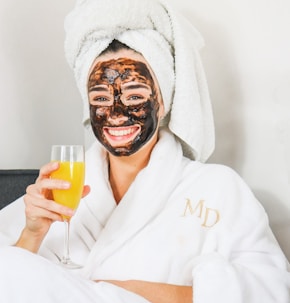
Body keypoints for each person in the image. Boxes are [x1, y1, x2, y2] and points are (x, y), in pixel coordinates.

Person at [0, 0, 289, 302]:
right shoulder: (59, 192)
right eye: (100, 98)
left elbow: (271, 290)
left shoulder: (217, 189)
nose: (115, 113)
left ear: (162, 103)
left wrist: (109, 291)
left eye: (135, 95)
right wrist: (32, 234)